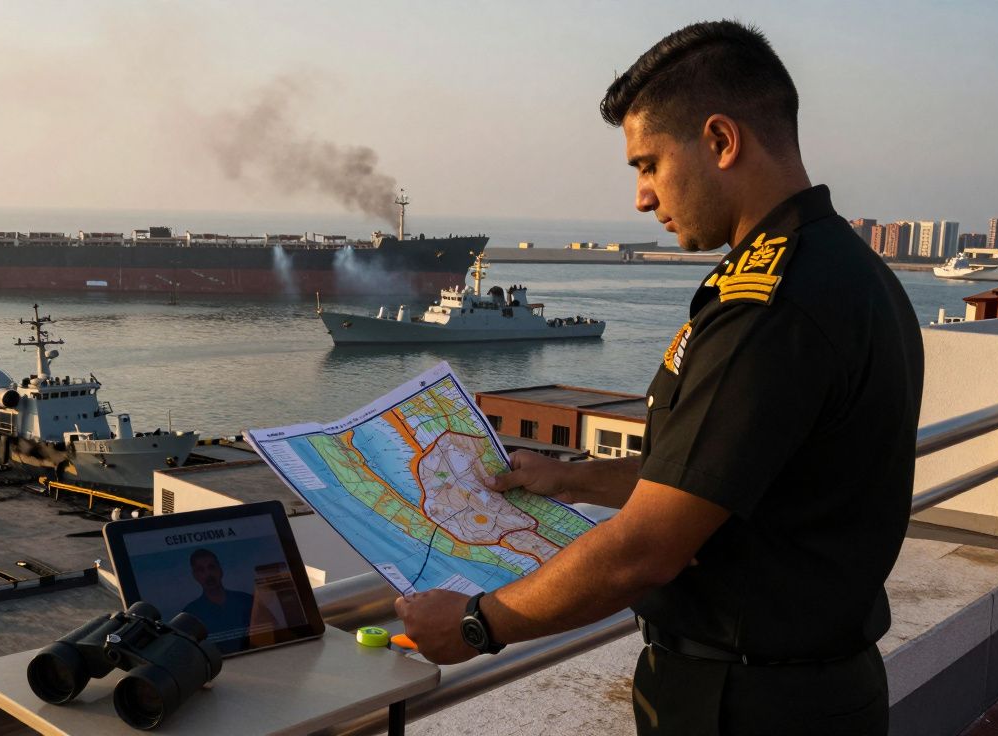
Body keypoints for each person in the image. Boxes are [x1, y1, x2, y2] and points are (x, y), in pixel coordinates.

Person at [396, 20, 923, 735]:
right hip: (810, 691)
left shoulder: (770, 309)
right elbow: (722, 482)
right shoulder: (849, 272)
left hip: (750, 708)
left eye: (648, 164)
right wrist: (572, 479)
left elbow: (647, 548)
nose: (643, 198)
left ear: (720, 141)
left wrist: (475, 623)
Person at [181, 548, 256, 634]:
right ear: (195, 576)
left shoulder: (247, 601)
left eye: (211, 567)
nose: (208, 574)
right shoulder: (190, 614)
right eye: (201, 570)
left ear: (220, 570)